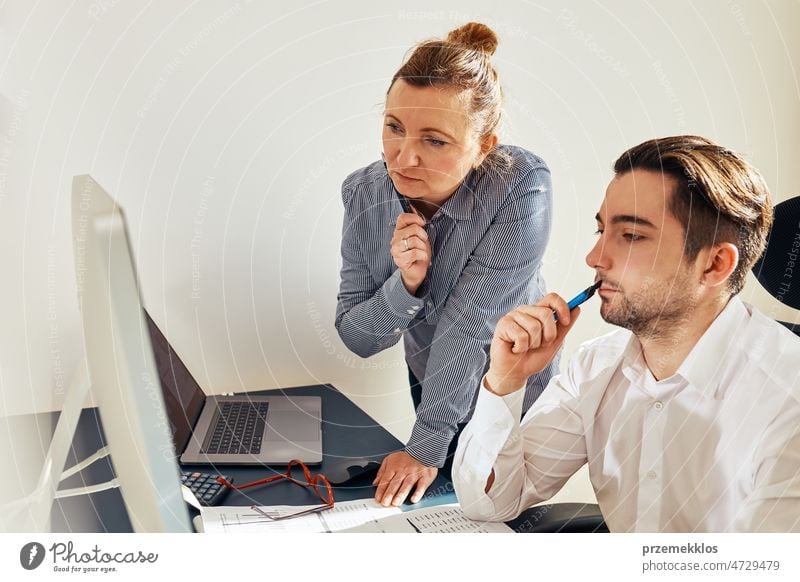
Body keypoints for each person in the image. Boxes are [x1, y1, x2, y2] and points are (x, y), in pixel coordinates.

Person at [453, 135, 800, 532]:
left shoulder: (788, 402)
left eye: (631, 235)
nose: (595, 257)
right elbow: (490, 501)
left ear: (715, 264)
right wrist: (505, 380)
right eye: (601, 231)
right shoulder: (596, 366)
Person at [335, 22, 557, 507]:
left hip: (516, 394)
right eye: (394, 127)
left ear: (484, 146)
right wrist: (406, 287)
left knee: (499, 520)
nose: (404, 156)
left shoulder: (520, 183)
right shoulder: (364, 193)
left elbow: (471, 321)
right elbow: (358, 336)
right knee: (438, 520)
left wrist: (423, 445)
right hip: (433, 383)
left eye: (435, 140)